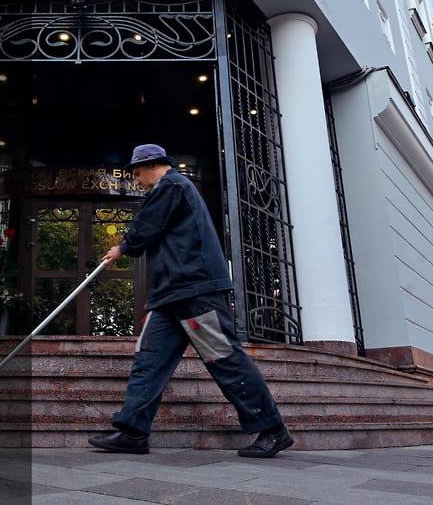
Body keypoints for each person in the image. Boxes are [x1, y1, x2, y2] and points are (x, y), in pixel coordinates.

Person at [88, 144, 292, 458]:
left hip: (195, 290)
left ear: (153, 165)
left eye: (137, 173)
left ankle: (273, 429)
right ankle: (133, 431)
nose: (136, 180)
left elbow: (146, 227)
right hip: (168, 296)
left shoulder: (172, 185)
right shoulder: (168, 190)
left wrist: (123, 247)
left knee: (224, 358)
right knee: (148, 361)